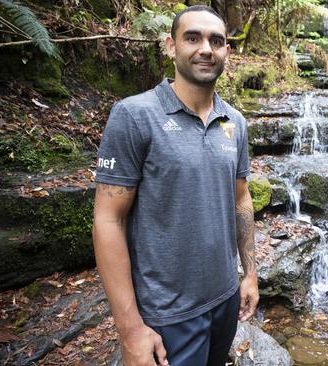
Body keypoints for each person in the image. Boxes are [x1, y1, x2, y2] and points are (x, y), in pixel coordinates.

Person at [92, 5, 258, 366]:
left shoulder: (236, 122)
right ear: (171, 46)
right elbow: (108, 221)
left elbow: (241, 200)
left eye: (217, 41)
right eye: (193, 38)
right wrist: (130, 329)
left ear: (227, 51)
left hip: (226, 300)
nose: (205, 49)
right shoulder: (134, 115)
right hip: (168, 314)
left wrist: (250, 277)